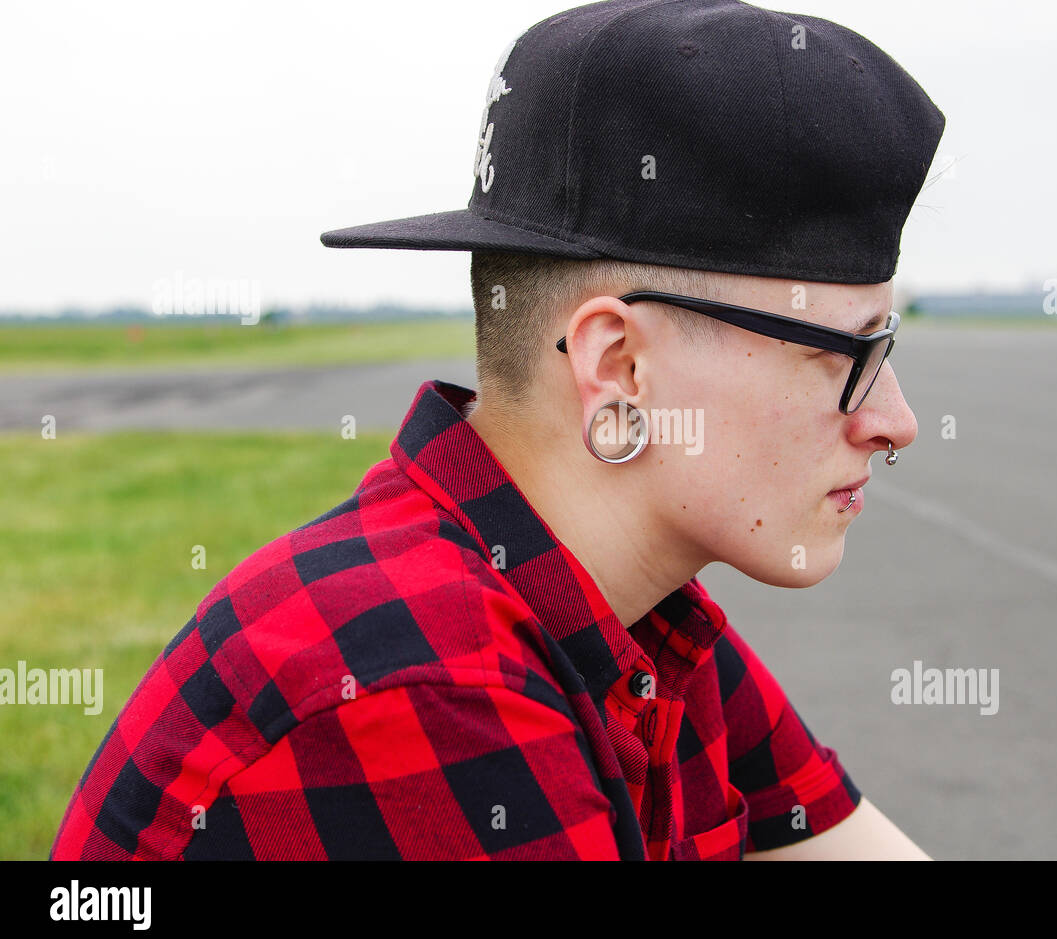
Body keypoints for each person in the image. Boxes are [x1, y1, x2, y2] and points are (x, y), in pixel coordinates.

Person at [50, 0, 944, 860]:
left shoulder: (642, 628)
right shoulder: (427, 689)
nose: (893, 421)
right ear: (621, 367)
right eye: (844, 355)